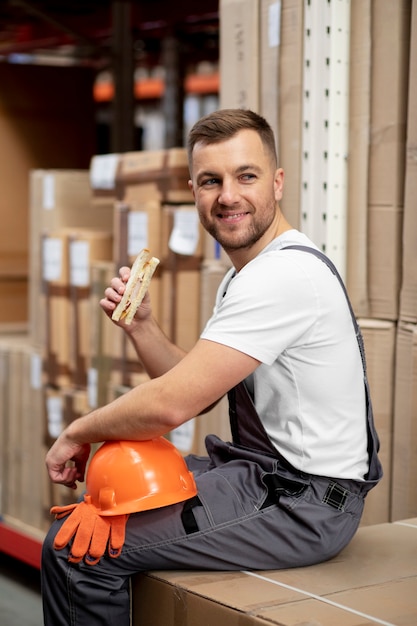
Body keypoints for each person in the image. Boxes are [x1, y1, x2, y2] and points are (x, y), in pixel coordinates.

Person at [41, 108, 382, 625]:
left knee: (77, 550)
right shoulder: (250, 275)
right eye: (210, 181)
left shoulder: (282, 276)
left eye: (246, 176)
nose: (228, 195)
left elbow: (172, 406)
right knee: (103, 494)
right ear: (194, 191)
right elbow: (193, 385)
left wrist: (77, 430)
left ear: (278, 182)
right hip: (266, 478)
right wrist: (142, 328)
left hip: (303, 504)